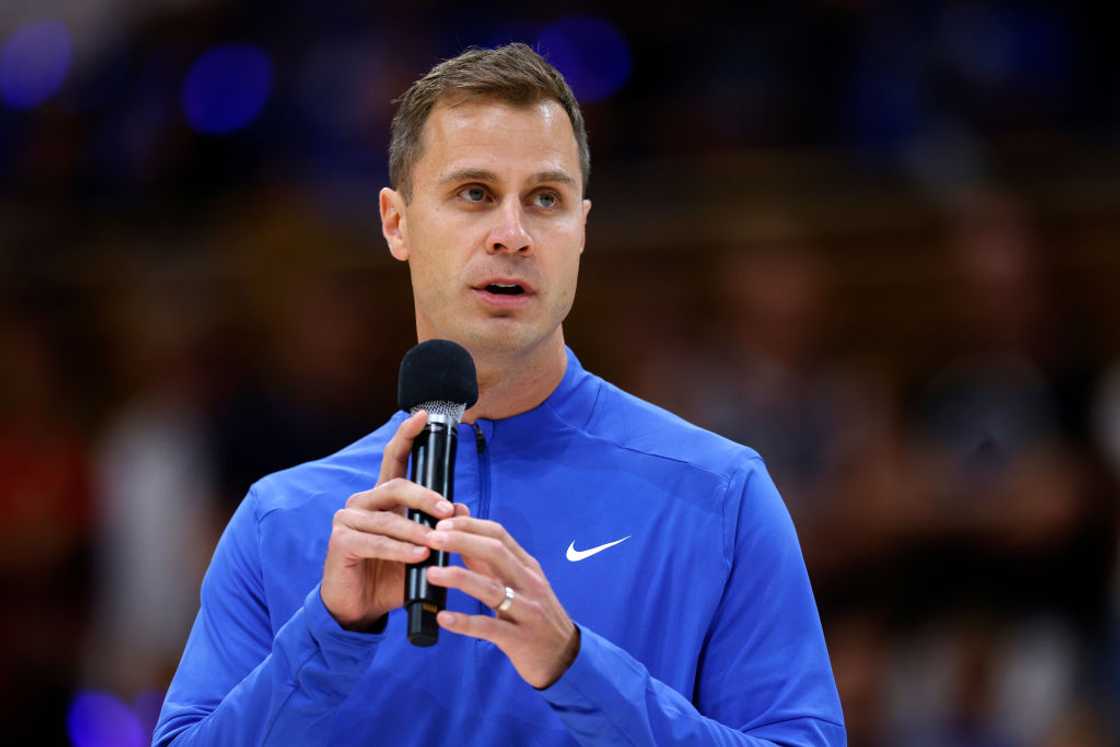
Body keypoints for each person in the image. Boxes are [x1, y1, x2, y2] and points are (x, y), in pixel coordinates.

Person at [153, 43, 845, 746]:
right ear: (396, 222)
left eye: (545, 199)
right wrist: (329, 634)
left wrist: (576, 667)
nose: (512, 235)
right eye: (475, 194)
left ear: (581, 228)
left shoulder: (718, 494)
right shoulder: (281, 520)